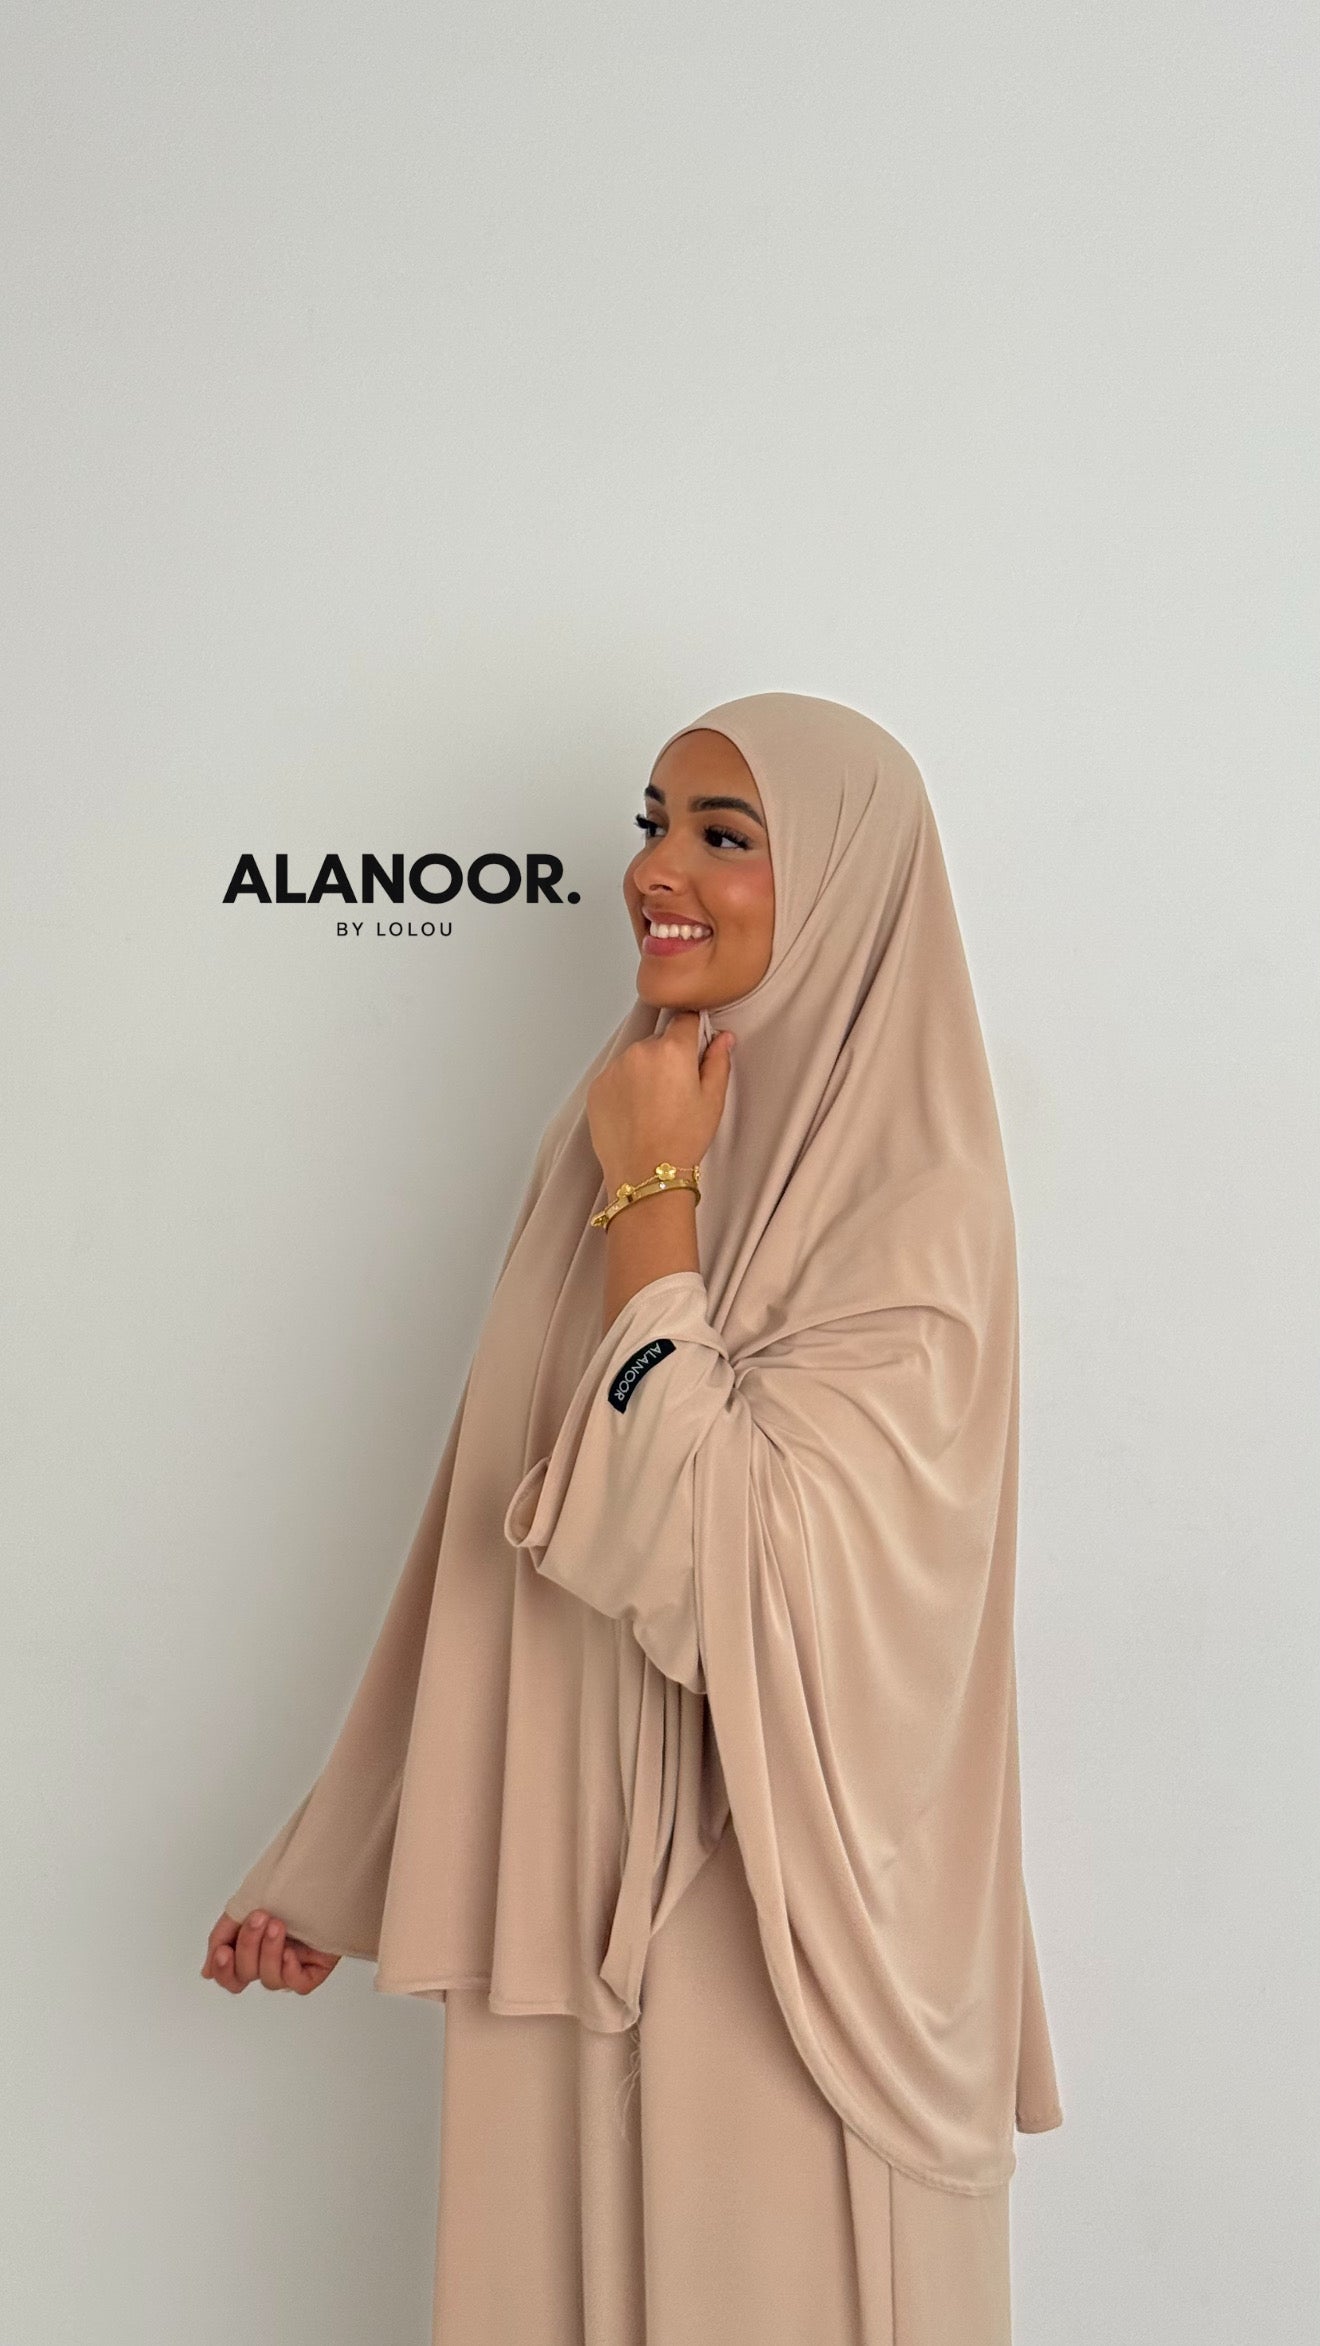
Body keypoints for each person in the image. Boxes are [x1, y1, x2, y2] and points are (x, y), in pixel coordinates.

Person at [203, 692, 1064, 2344]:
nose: (657, 868)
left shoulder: (915, 1212)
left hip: (794, 1953)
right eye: (653, 821)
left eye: (725, 835)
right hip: (569, 1917)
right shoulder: (613, 1128)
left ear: (848, 884)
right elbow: (489, 1534)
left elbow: (737, 1579)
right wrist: (344, 1855)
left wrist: (655, 1196)